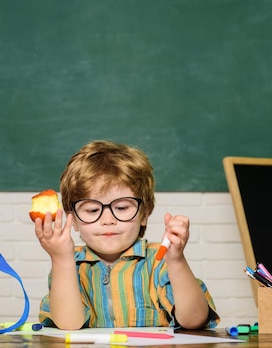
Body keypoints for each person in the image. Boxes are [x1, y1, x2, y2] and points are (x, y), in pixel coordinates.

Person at [33, 140, 220, 330]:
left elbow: (194, 320)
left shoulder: (160, 262)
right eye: (91, 210)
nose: (107, 220)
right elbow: (68, 325)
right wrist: (61, 259)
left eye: (121, 207)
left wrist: (177, 261)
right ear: (73, 220)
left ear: (144, 214)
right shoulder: (67, 265)